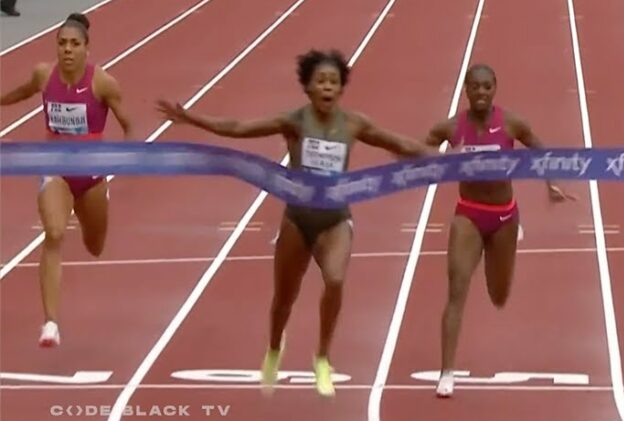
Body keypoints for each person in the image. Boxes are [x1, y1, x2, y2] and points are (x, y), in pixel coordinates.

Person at [156, 48, 434, 397]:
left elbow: (399, 143)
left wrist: (447, 159)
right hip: (297, 220)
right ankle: (274, 348)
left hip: (335, 219)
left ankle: (323, 358)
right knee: (284, 298)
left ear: (341, 88)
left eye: (333, 81)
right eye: (321, 81)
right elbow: (239, 128)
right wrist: (193, 119)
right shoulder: (294, 121)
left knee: (335, 280)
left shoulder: (354, 124)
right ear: (308, 87)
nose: (327, 86)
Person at [425, 64, 574, 398]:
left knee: (499, 295)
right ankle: (446, 372)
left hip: (504, 215)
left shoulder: (511, 123)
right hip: (468, 213)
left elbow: (539, 149)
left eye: (487, 86)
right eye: (475, 86)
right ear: (466, 89)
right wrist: (430, 160)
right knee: (457, 290)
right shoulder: (452, 127)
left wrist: (551, 183)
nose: (481, 92)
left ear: (494, 89)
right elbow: (419, 149)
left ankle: (511, 238)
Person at [0, 13, 134, 348]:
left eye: (74, 44)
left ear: (87, 48)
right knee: (55, 233)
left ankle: (97, 207)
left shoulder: (103, 83)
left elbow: (129, 124)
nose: (67, 50)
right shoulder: (44, 75)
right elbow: (23, 91)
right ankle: (50, 323)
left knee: (95, 245)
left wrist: (128, 156)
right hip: (55, 168)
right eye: (62, 44)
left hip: (91, 175)